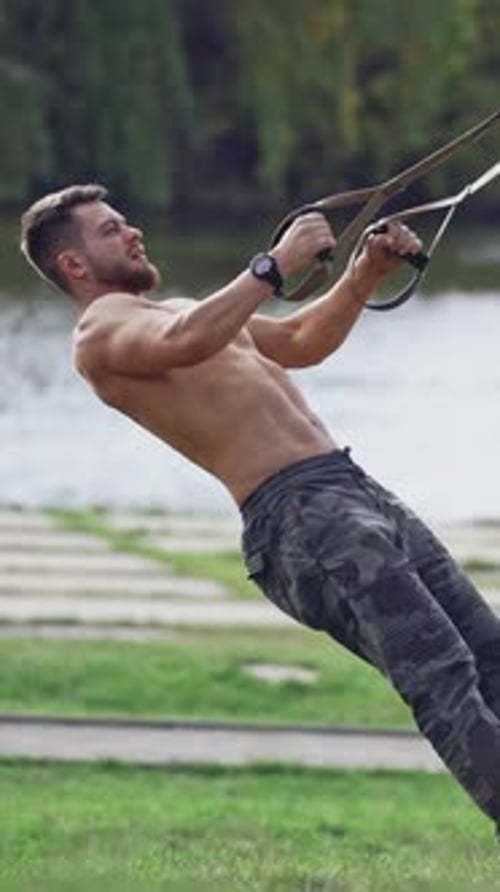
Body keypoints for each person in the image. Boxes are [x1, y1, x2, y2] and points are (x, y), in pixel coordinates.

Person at [20, 183, 500, 830]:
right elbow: (189, 341)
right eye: (110, 230)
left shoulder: (185, 308)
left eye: (126, 221)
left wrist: (364, 274)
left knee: (488, 655)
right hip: (299, 519)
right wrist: (275, 264)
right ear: (72, 265)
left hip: (351, 489)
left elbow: (301, 338)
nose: (132, 231)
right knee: (441, 671)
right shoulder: (98, 336)